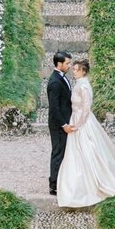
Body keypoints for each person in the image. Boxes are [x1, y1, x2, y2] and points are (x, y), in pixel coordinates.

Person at [56, 57, 115, 208]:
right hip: (76, 117)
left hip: (82, 121)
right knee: (76, 152)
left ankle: (92, 182)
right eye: (73, 69)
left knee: (88, 150)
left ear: (83, 71)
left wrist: (78, 125)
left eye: (76, 70)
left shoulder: (84, 86)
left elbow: (86, 108)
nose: (73, 72)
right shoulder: (80, 83)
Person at [46, 51, 73, 196]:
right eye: (67, 63)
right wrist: (64, 125)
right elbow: (54, 107)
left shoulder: (61, 77)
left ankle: (61, 180)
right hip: (58, 125)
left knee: (63, 152)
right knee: (58, 152)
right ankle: (54, 185)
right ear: (59, 64)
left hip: (65, 121)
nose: (69, 66)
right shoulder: (55, 82)